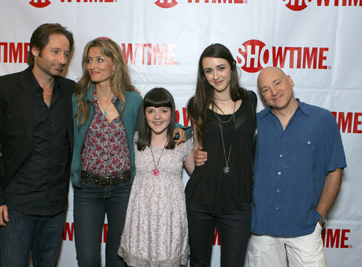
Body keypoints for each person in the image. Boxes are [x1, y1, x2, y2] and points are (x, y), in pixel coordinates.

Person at [71, 38, 188, 267]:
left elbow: (156, 119)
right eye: (89, 60)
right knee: (87, 259)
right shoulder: (79, 98)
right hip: (87, 189)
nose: (92, 65)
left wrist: (182, 130)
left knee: (118, 260)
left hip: (123, 190)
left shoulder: (132, 100)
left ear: (114, 64)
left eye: (100, 59)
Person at [0, 23, 75, 267]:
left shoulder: (72, 91)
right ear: (35, 50)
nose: (62, 59)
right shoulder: (3, 88)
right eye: (55, 52)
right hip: (15, 205)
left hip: (54, 205)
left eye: (66, 53)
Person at [247, 67, 347, 267]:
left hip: (306, 229)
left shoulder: (322, 120)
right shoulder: (253, 124)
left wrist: (319, 219)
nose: (274, 92)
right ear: (261, 95)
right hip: (263, 230)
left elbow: (334, 171)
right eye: (265, 89)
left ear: (290, 80)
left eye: (277, 83)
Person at [186, 43, 257, 267]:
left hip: (238, 201)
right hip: (200, 199)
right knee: (199, 263)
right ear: (203, 75)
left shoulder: (251, 100)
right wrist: (193, 156)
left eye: (221, 68)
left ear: (232, 68)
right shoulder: (196, 104)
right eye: (208, 71)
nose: (216, 76)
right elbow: (196, 149)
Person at [118, 87, 194, 266]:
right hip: (141, 217)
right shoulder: (136, 141)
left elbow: (198, 175)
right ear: (144, 114)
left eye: (164, 110)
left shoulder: (181, 143)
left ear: (172, 113)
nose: (157, 117)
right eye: (151, 111)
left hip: (170, 218)